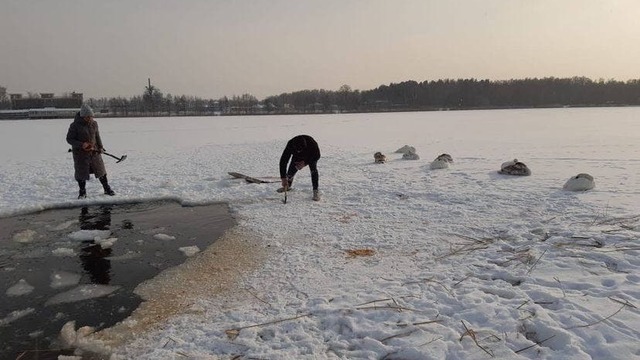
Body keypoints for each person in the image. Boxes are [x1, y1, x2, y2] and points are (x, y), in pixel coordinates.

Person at [66, 103, 115, 199]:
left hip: (94, 152)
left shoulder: (94, 124)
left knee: (101, 171)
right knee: (81, 173)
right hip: (80, 154)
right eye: (88, 117)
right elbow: (69, 139)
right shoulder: (74, 125)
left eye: (91, 116)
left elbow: (97, 136)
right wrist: (82, 144)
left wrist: (100, 147)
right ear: (83, 116)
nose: (90, 119)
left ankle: (107, 188)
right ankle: (82, 192)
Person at [279, 135, 321, 201]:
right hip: (297, 157)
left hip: (310, 156)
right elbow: (283, 161)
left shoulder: (312, 143)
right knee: (290, 172)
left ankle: (315, 190)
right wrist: (283, 177)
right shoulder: (290, 144)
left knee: (313, 170)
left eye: (300, 150)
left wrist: (305, 163)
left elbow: (317, 155)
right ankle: (288, 185)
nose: (299, 151)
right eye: (297, 150)